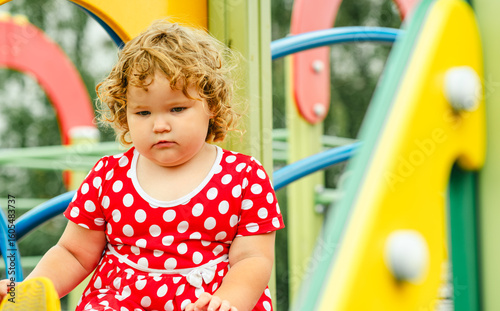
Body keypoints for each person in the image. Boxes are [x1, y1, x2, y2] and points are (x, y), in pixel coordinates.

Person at [0, 20, 284, 311]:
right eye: (143, 112)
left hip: (205, 302)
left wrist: (226, 303)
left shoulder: (244, 177)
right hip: (122, 301)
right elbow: (73, 253)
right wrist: (27, 290)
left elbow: (253, 259)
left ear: (210, 104)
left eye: (177, 109)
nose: (160, 125)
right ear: (125, 114)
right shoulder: (107, 176)